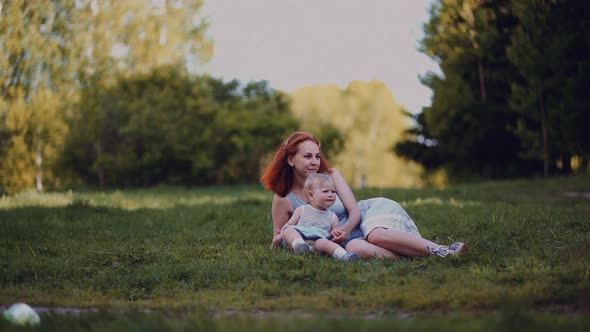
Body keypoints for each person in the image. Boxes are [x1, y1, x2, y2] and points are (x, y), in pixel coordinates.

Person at [260, 131, 467, 259]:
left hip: (366, 216)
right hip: (346, 241)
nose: (315, 161)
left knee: (374, 235)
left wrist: (345, 228)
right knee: (355, 249)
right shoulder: (284, 199)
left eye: (317, 156)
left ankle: (443, 250)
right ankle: (416, 257)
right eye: (307, 156)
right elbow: (279, 239)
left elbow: (355, 211)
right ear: (290, 160)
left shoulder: (331, 175)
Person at [279, 173, 358, 261]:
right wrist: (280, 235)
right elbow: (289, 224)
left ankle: (343, 255)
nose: (330, 194)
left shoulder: (333, 217)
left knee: (324, 243)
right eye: (325, 191)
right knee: (289, 230)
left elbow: (333, 234)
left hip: (318, 242)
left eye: (333, 191)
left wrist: (335, 234)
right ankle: (299, 245)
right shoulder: (302, 210)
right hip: (300, 236)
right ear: (311, 195)